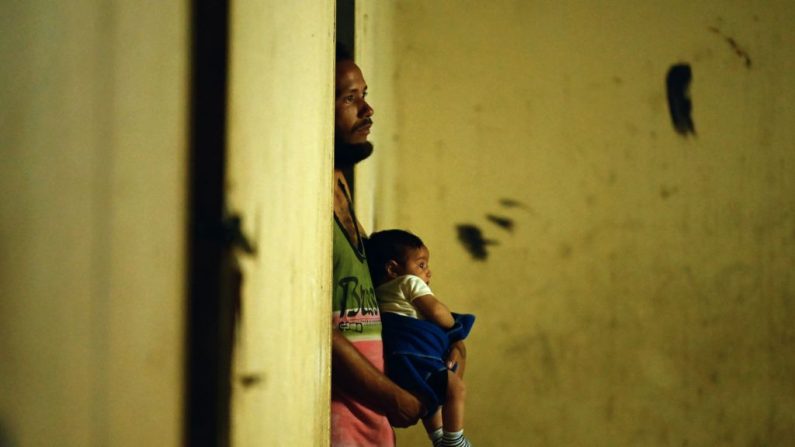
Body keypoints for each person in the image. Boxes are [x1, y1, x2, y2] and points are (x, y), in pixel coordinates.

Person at [333, 44, 468, 446]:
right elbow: (318, 327)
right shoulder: (310, 198)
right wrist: (391, 394)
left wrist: (450, 342)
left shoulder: (343, 189)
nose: (367, 110)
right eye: (349, 98)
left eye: (365, 95)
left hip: (373, 415)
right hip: (344, 412)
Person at [365, 230, 475, 447]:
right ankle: (454, 440)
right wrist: (454, 325)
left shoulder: (378, 293)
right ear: (393, 268)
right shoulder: (409, 282)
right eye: (422, 265)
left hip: (396, 358)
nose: (428, 272)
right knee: (456, 388)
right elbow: (437, 314)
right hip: (417, 350)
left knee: (429, 394)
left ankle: (438, 437)